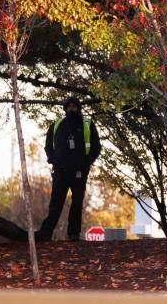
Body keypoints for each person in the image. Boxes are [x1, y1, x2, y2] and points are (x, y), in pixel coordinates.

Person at [35, 96, 101, 241]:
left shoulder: (87, 125)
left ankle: (73, 233)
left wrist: (85, 163)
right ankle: (46, 232)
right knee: (56, 203)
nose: (72, 109)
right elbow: (48, 145)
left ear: (79, 108)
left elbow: (96, 147)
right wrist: (52, 160)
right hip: (60, 172)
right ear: (65, 109)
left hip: (79, 172)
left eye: (74, 107)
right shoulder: (57, 124)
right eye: (69, 107)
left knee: (77, 203)